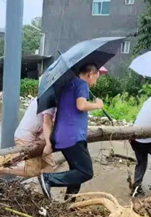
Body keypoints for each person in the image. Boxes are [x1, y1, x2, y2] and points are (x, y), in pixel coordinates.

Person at [38, 64, 104, 200]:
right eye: (95, 79)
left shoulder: (69, 84)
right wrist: (97, 105)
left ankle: (70, 201)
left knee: (76, 170)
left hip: (63, 135)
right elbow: (81, 105)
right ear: (90, 74)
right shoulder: (81, 84)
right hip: (72, 137)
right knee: (86, 172)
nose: (95, 83)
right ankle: (49, 178)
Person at [0, 98, 56, 182]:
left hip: (38, 138)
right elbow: (47, 122)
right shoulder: (48, 99)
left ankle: (44, 188)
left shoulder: (48, 97)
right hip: (26, 137)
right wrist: (48, 144)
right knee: (33, 170)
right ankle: (0, 170)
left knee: (49, 166)